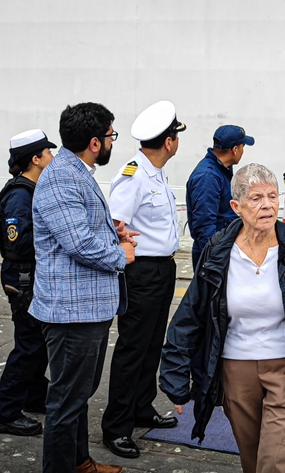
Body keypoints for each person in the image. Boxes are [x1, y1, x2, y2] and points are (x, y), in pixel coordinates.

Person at [160, 163, 285, 473]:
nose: (267, 205)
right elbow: (190, 316)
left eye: (273, 196)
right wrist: (175, 378)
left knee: (273, 465)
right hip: (237, 372)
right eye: (256, 198)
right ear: (236, 206)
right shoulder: (218, 251)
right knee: (253, 461)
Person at [29, 102, 133, 473]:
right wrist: (120, 254)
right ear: (94, 141)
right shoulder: (62, 177)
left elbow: (80, 230)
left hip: (87, 308)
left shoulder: (75, 171)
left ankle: (80, 463)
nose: (111, 143)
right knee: (65, 401)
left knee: (78, 396)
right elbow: (78, 243)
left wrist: (114, 232)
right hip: (72, 312)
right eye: (110, 136)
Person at [102, 100, 186, 459]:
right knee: (133, 348)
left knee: (152, 343)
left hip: (162, 268)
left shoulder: (155, 171)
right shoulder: (134, 173)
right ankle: (116, 427)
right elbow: (115, 221)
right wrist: (123, 241)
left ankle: (141, 406)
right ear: (169, 142)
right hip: (142, 271)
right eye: (176, 136)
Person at [0, 129, 56, 437]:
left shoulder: (33, 188)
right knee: (29, 346)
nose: (52, 158)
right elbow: (18, 244)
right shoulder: (19, 195)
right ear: (35, 159)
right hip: (24, 278)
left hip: (32, 276)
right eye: (48, 153)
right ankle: (6, 413)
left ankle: (32, 395)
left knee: (38, 342)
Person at [186, 125, 254, 267]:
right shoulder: (208, 177)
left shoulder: (221, 171)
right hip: (213, 257)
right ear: (235, 150)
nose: (243, 151)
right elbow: (204, 228)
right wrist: (217, 259)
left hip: (221, 251)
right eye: (242, 146)